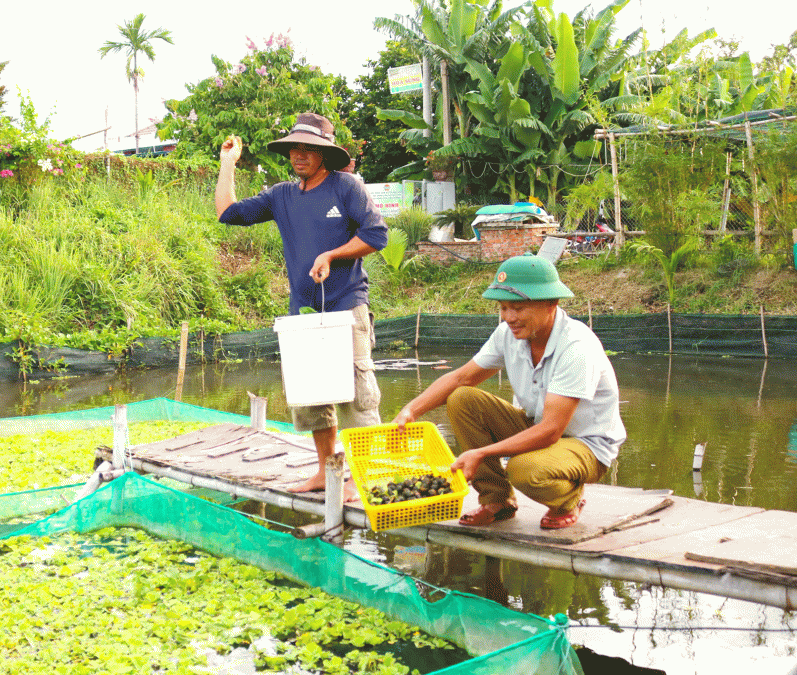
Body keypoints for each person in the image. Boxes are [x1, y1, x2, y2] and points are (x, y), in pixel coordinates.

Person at [215, 113, 388, 495]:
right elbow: (228, 213)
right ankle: (328, 473)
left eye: (310, 148)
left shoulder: (347, 188)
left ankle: (364, 479)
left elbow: (377, 236)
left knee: (358, 399)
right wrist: (228, 163)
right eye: (295, 147)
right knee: (312, 398)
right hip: (304, 314)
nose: (300, 154)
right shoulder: (281, 195)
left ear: (325, 153)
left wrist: (332, 254)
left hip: (347, 306)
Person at [389, 255, 626, 530]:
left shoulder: (576, 346)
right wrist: (411, 410)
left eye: (518, 308)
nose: (509, 317)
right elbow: (461, 377)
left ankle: (568, 499)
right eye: (503, 308)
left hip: (585, 444)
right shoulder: (508, 334)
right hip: (538, 425)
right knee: (462, 398)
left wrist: (481, 453)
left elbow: (551, 430)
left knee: (524, 469)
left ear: (552, 304)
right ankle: (497, 500)